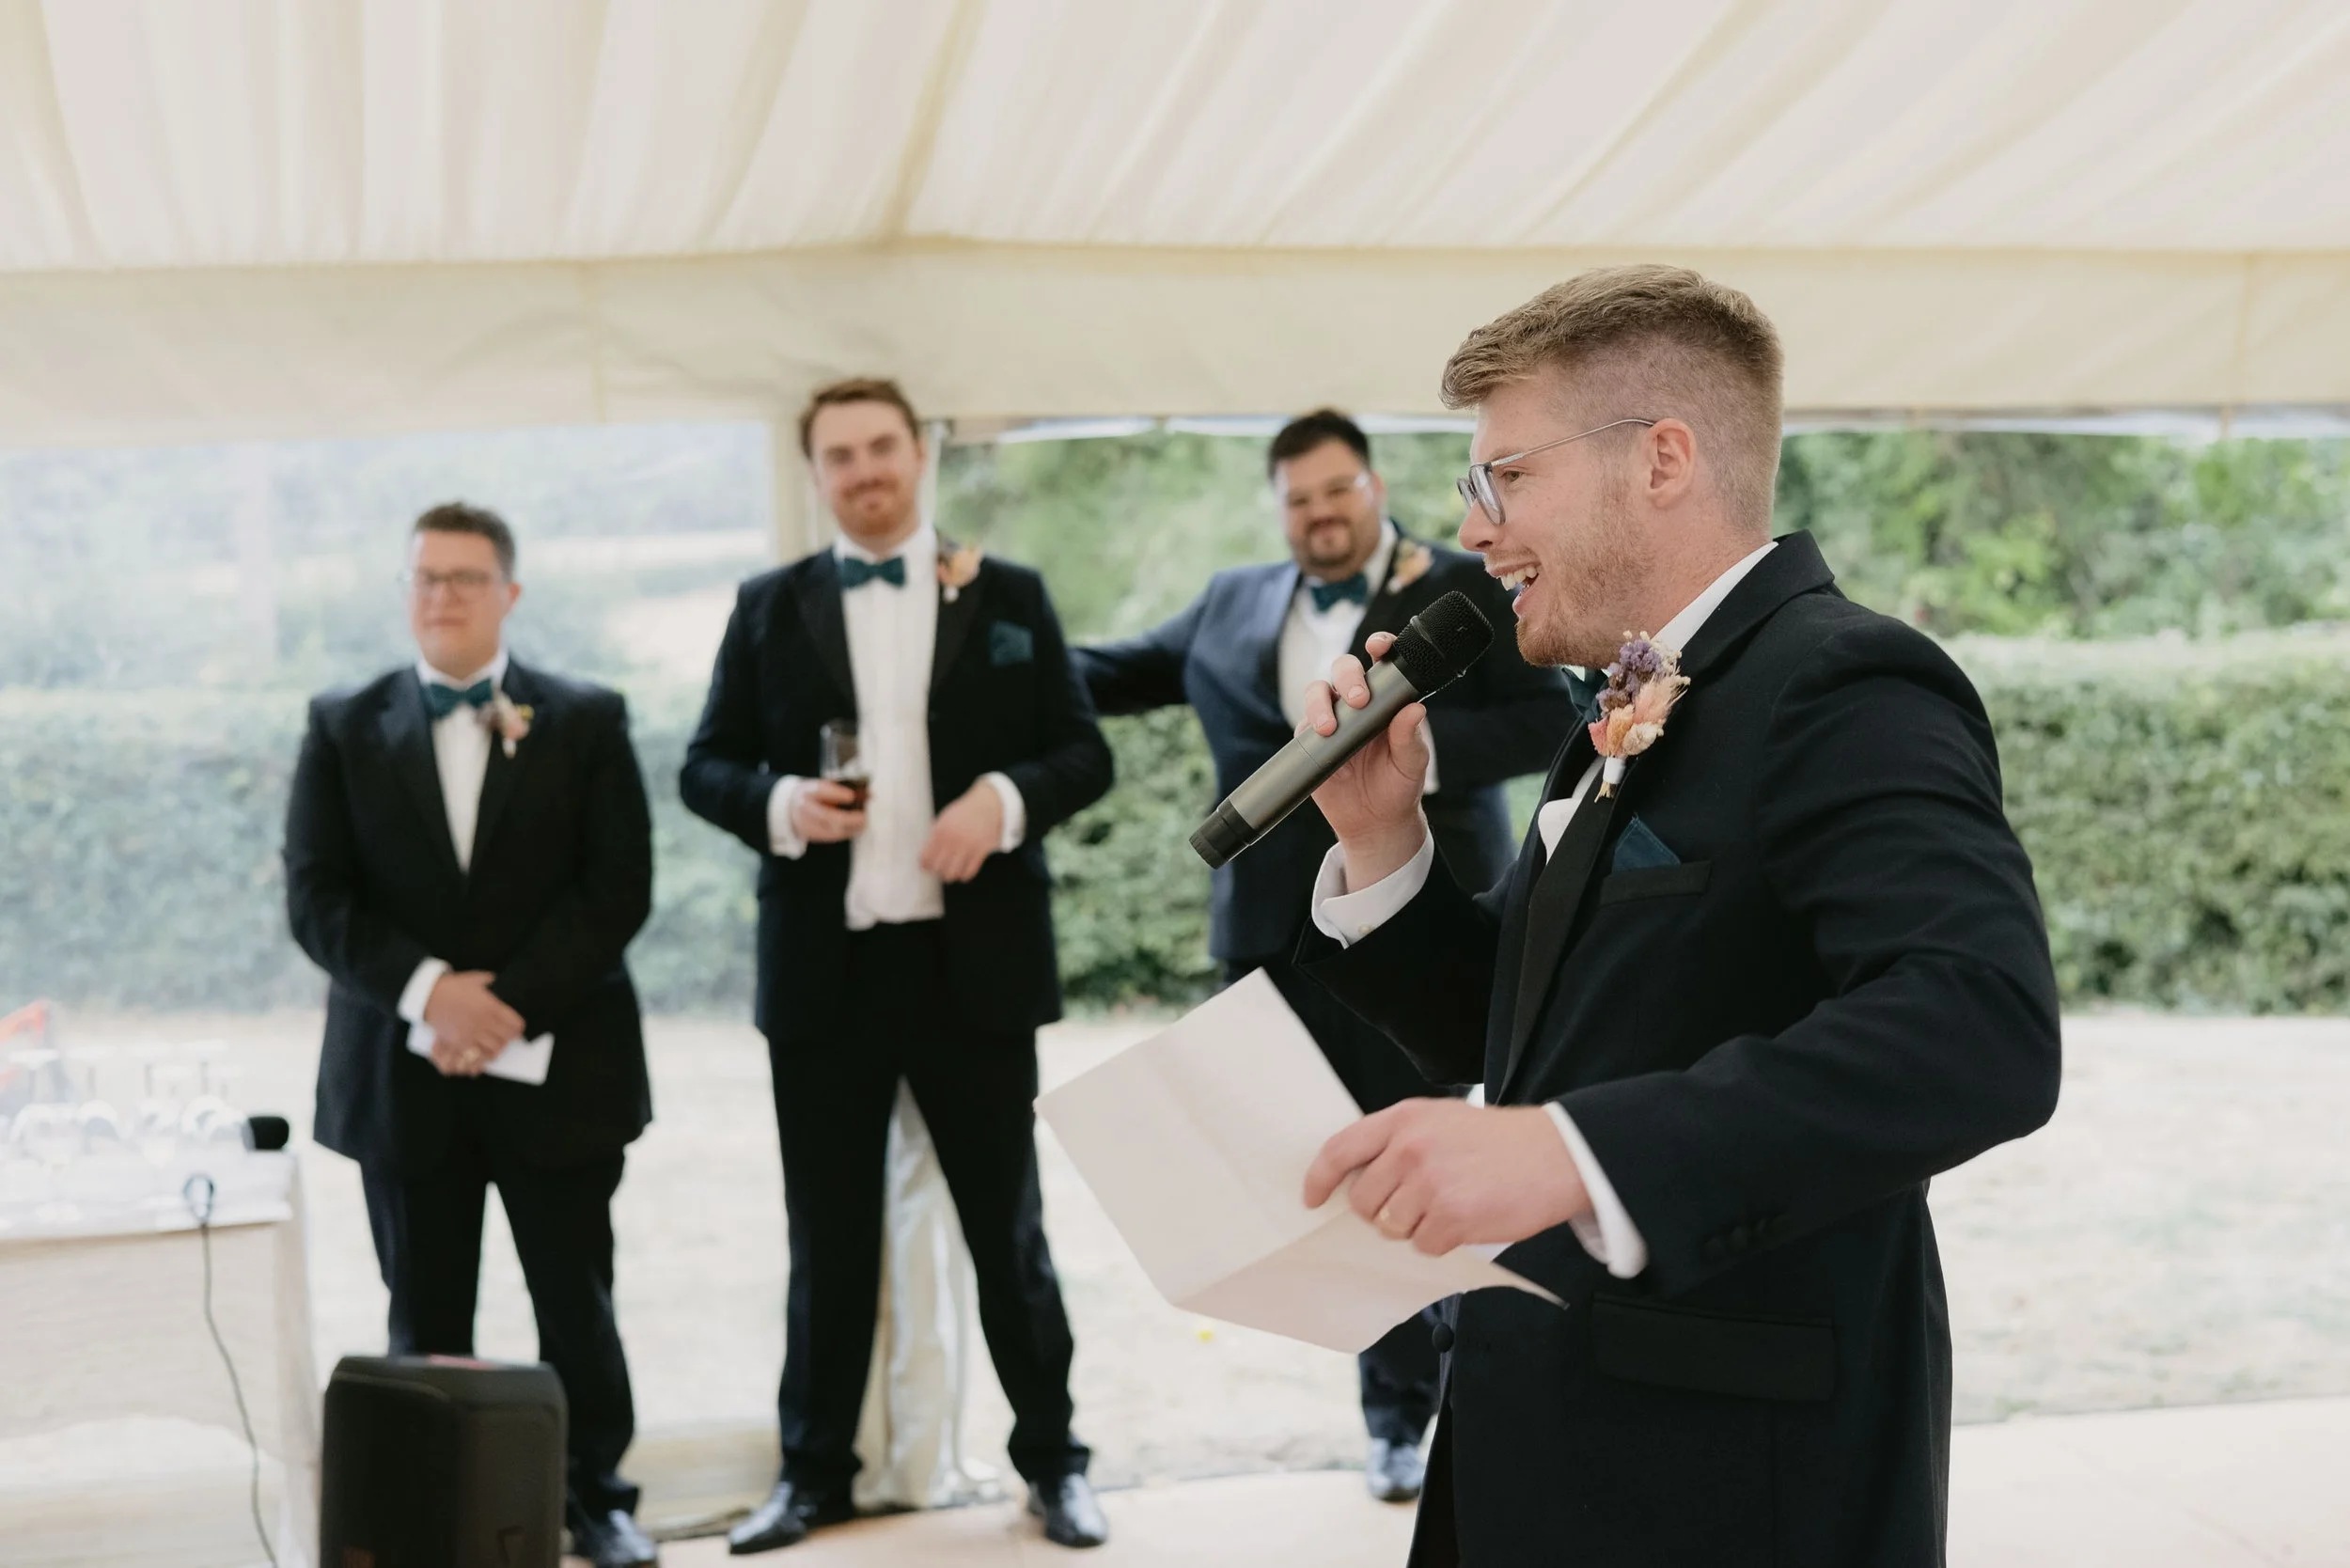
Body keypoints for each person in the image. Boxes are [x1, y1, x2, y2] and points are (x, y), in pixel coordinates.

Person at [1292, 265, 2063, 1565]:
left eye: (1505, 479)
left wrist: (1567, 1155)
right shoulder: (1623, 704)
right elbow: (1534, 1034)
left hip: (1724, 1482)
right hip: (1533, 1430)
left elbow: (1977, 1026)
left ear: (1661, 460)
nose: (1475, 531)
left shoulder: (1845, 679)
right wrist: (1383, 839)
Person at [1075, 410, 1575, 1500]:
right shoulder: (1231, 601)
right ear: (1279, 509)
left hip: (1413, 921)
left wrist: (1413, 758)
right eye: (1299, 499)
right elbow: (1108, 672)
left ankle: (1421, 1413)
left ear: (1374, 484)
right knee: (1311, 1179)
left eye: (1338, 490)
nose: (1321, 514)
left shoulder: (1469, 586)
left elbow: (1551, 718)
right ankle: (1383, 1390)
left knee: (1415, 1168)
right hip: (1269, 937)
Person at [680, 378, 1114, 1553]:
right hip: (826, 976)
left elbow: (1083, 752)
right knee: (825, 1238)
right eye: (840, 455)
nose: (864, 470)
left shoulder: (1008, 593)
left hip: (970, 972)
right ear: (815, 472)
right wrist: (778, 802)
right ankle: (811, 1475)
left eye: (881, 447)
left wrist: (1003, 799)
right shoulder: (768, 605)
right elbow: (702, 764)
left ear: (917, 456)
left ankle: (1055, 1466)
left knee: (1006, 1232)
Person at [284, 504, 659, 1568]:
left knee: (576, 1303)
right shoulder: (342, 722)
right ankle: (427, 1518)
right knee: (425, 1313)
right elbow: (317, 899)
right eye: (424, 577)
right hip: (404, 1080)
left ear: (510, 593)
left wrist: (504, 1009)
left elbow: (617, 887)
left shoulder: (586, 717)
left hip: (561, 1073)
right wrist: (432, 994)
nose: (441, 595)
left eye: (463, 576)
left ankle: (598, 1501)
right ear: (405, 591)